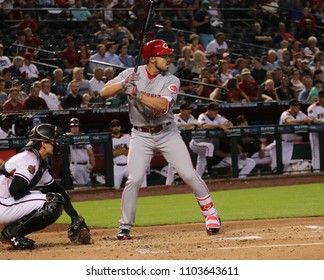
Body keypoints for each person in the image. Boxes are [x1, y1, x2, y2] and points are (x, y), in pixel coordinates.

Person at [100, 39, 221, 240]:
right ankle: (125, 226)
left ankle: (211, 215)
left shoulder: (171, 79)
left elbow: (163, 106)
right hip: (140, 135)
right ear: (152, 59)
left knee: (188, 174)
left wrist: (136, 93)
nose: (168, 58)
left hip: (167, 132)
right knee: (134, 179)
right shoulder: (131, 74)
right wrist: (123, 84)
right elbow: (104, 92)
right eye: (164, 56)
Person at [0, 123, 91, 249]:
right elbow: (15, 190)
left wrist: (74, 216)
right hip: (3, 204)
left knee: (55, 197)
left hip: (6, 202)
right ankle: (11, 234)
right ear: (43, 143)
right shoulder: (29, 159)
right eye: (53, 141)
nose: (57, 144)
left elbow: (57, 189)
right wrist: (38, 194)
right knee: (53, 201)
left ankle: (13, 233)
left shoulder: (38, 162)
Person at [190, 102, 233, 177]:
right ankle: (209, 168)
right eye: (213, 110)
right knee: (210, 146)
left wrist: (224, 124)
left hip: (205, 144)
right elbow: (204, 126)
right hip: (196, 143)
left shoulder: (218, 117)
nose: (215, 112)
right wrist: (219, 125)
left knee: (201, 161)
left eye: (216, 110)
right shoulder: (203, 116)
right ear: (208, 111)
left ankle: (197, 178)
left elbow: (230, 124)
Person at [269, 98, 313, 172]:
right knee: (276, 166)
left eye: (299, 105)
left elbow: (308, 119)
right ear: (291, 106)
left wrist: (309, 120)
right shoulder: (285, 113)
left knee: (285, 165)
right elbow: (289, 121)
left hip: (290, 144)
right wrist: (303, 121)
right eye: (296, 106)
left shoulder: (300, 113)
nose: (298, 107)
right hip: (280, 143)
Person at [165, 101, 199, 184]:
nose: (189, 111)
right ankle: (168, 184)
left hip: (184, 142)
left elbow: (198, 124)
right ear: (181, 110)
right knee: (172, 162)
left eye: (189, 109)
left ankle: (172, 182)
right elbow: (177, 126)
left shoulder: (191, 117)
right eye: (186, 109)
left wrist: (188, 125)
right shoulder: (175, 117)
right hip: (173, 141)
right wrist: (190, 125)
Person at [110, 119, 147, 190]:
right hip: (117, 167)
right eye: (114, 126)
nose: (116, 128)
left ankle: (144, 194)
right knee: (114, 187)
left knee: (141, 176)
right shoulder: (109, 139)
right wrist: (125, 149)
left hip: (128, 166)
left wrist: (118, 151)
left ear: (120, 127)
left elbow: (132, 151)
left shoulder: (127, 136)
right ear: (111, 128)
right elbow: (112, 154)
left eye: (117, 125)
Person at [67, 118, 95, 186]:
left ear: (79, 127)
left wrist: (93, 164)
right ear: (70, 127)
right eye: (72, 126)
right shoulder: (67, 137)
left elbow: (90, 151)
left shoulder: (84, 136)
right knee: (81, 185)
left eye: (76, 126)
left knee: (88, 186)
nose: (74, 128)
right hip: (75, 166)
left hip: (86, 165)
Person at [307, 90, 324, 172]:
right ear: (319, 98)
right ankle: (316, 172)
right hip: (315, 133)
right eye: (322, 97)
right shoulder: (312, 107)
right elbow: (311, 120)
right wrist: (321, 121)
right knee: (316, 152)